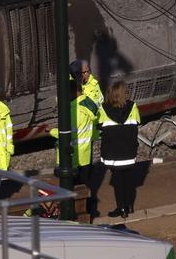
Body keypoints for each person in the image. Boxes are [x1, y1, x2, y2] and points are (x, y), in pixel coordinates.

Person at [51, 75, 101, 219]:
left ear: (73, 92)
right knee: (85, 187)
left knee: (71, 189)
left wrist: (52, 132)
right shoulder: (88, 105)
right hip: (85, 155)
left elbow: (69, 132)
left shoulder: (74, 109)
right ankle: (89, 211)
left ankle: (75, 214)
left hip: (72, 157)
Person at [99, 79, 141, 219]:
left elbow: (101, 128)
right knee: (128, 180)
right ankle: (129, 205)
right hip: (128, 151)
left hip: (113, 153)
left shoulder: (104, 109)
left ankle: (121, 208)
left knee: (117, 182)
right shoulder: (133, 106)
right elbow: (136, 126)